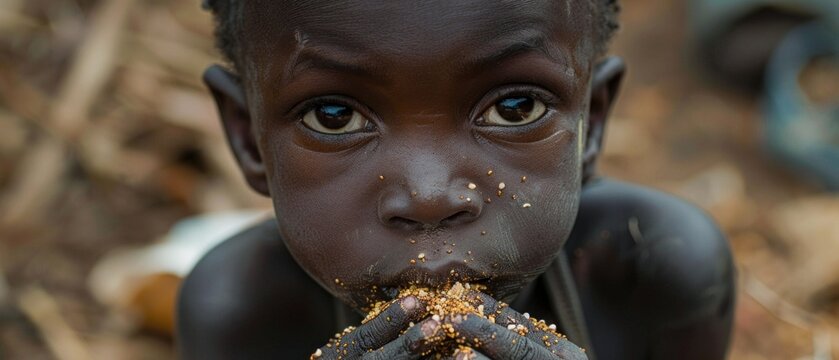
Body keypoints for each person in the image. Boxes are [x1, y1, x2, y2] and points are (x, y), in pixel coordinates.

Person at [177, 1, 736, 358]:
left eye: (515, 108)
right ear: (249, 139)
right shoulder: (240, 312)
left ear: (591, 122)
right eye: (335, 117)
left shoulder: (655, 275)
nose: (429, 195)